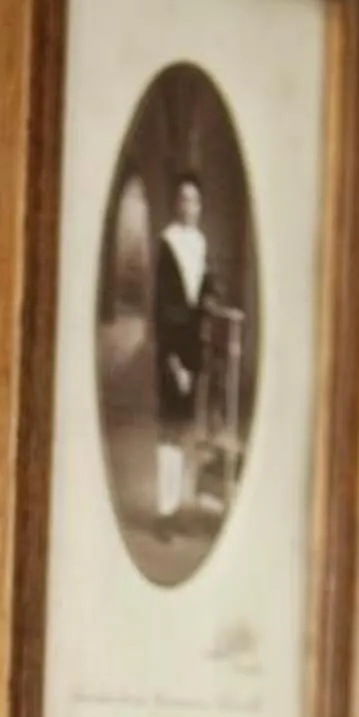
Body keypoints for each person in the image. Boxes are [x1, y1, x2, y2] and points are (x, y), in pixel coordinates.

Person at [152, 173, 213, 534]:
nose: (189, 206)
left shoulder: (200, 243)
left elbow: (200, 297)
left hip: (193, 350)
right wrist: (174, 361)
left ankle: (177, 508)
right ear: (176, 203)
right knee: (168, 432)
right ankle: (164, 513)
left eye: (195, 200)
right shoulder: (167, 243)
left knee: (184, 430)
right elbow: (163, 307)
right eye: (184, 199)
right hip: (172, 351)